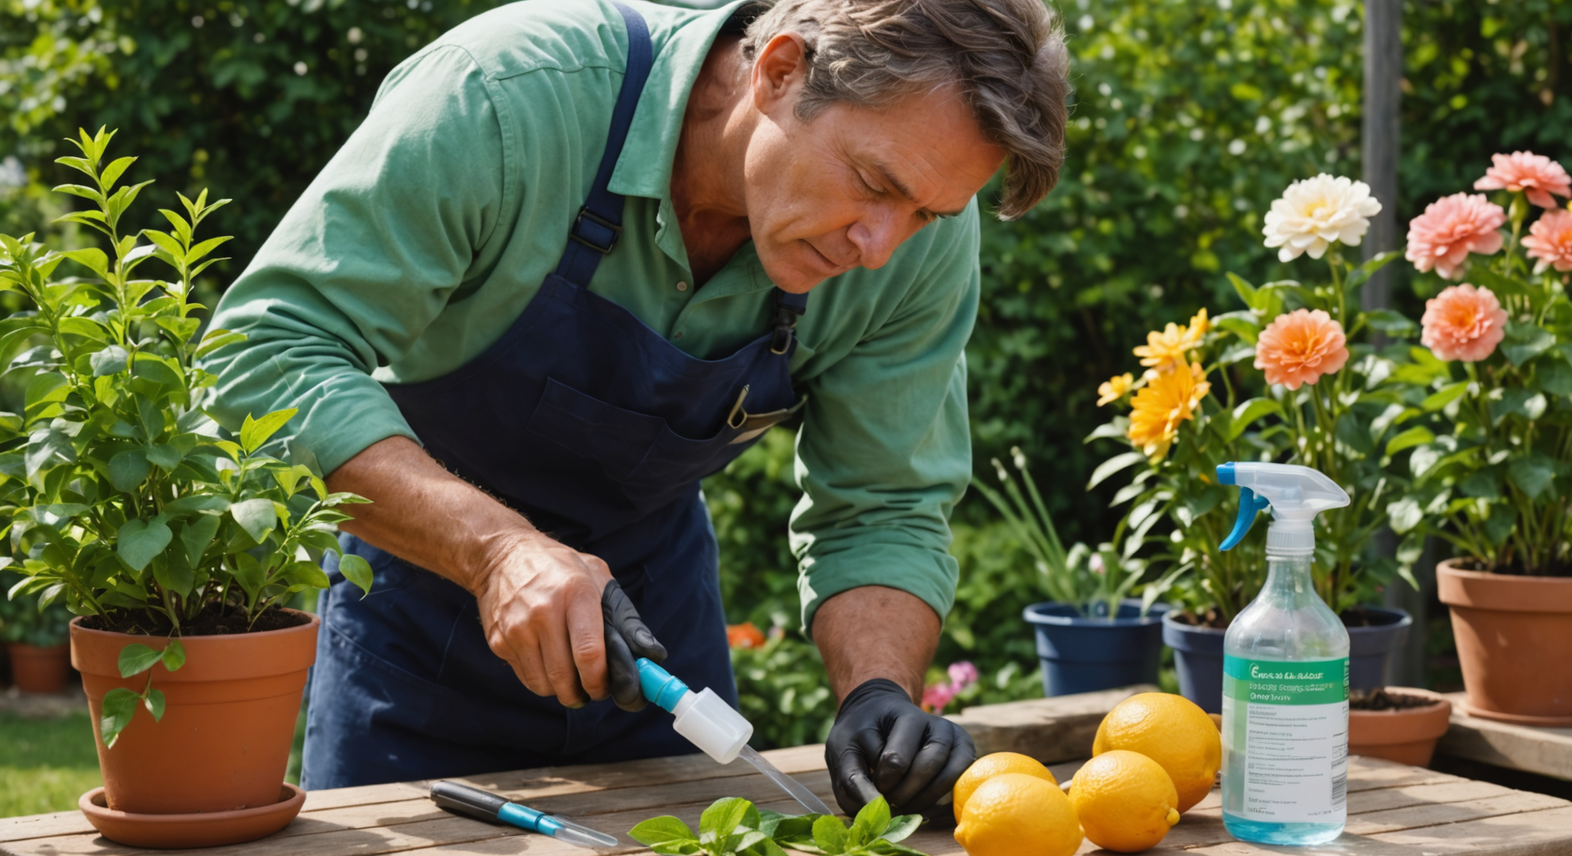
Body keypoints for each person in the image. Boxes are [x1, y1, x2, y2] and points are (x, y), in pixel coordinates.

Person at [202, 0, 1067, 814]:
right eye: (874, 183)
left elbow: (885, 501)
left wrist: (878, 690)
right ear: (778, 71)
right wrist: (499, 552)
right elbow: (265, 353)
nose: (882, 249)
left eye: (925, 213)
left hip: (658, 653)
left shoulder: (918, 237)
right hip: (415, 632)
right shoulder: (508, 98)